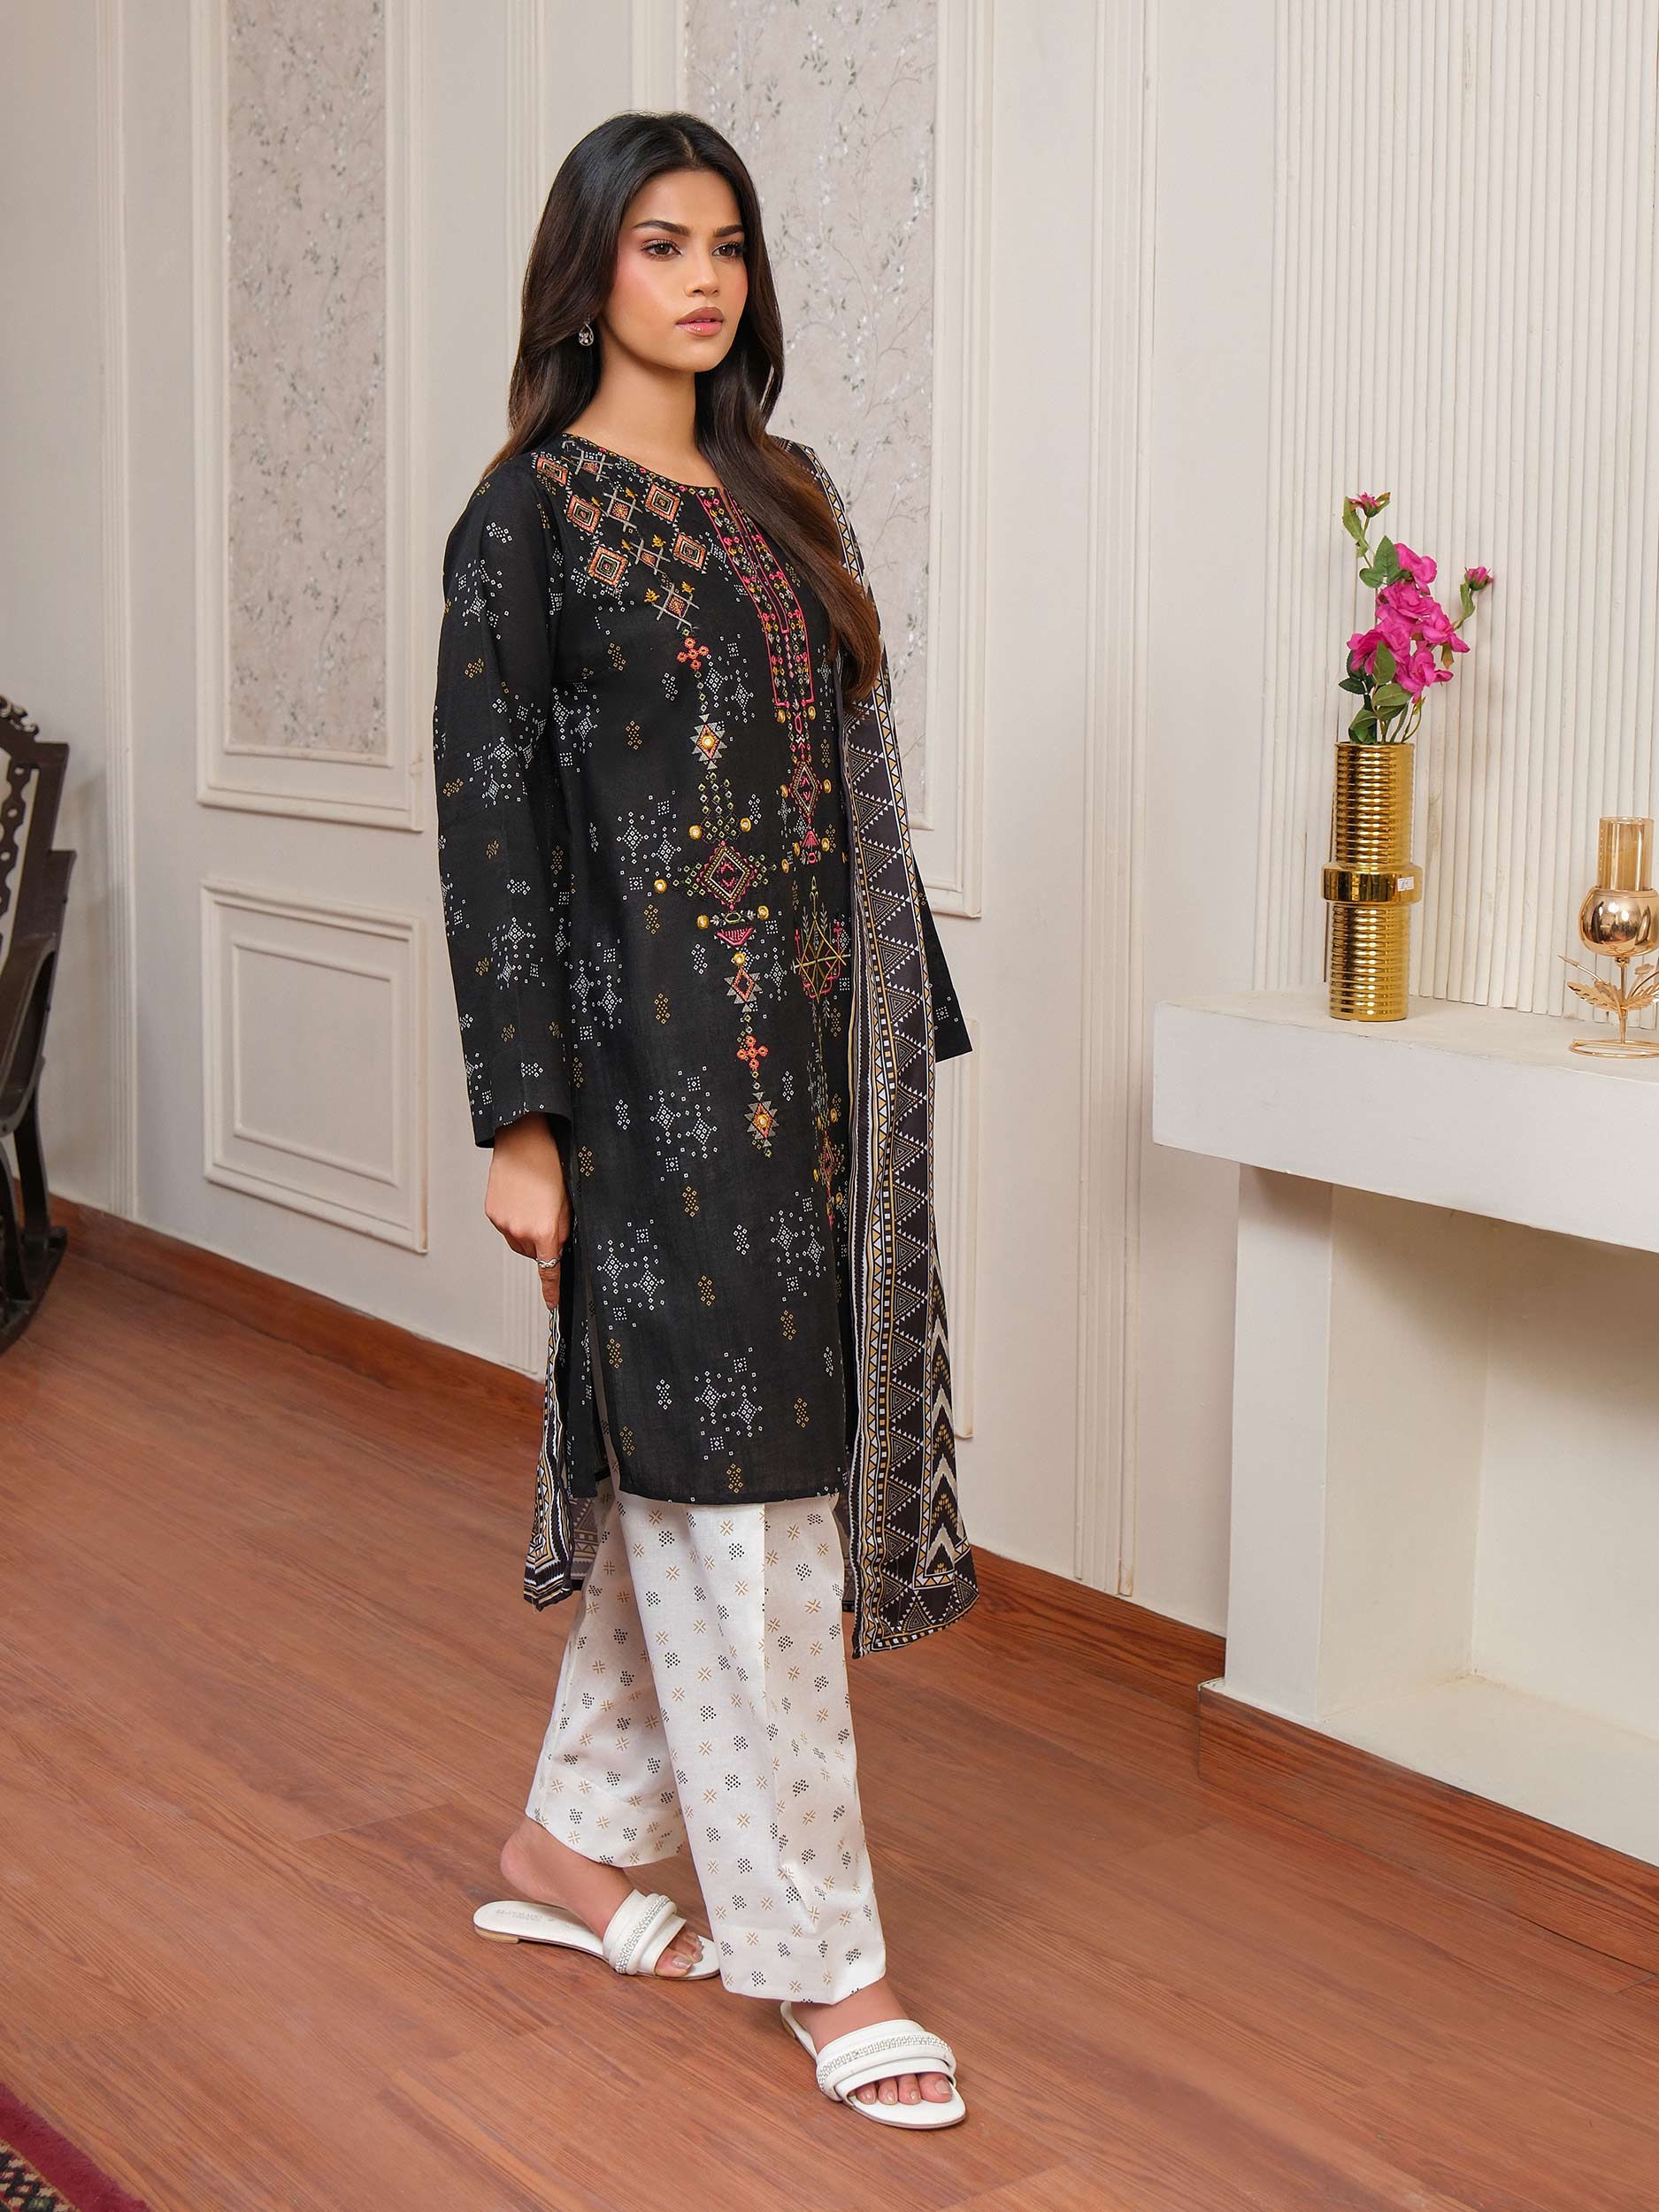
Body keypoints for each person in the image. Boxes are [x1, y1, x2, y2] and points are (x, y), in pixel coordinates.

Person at [431, 109, 978, 2129]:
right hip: (645, 1096)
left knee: (719, 1489)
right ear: (587, 270)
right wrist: (524, 1123)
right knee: (740, 1514)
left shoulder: (783, 492)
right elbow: (493, 833)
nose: (702, 279)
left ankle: (565, 1848)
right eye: (660, 243)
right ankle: (831, 1965)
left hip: (805, 1090)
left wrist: (892, 1034)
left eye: (726, 245)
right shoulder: (527, 522)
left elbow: (847, 782)